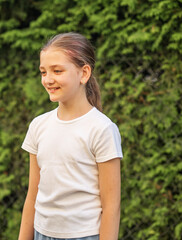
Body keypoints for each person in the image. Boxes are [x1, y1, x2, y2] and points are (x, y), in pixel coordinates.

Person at [19, 33, 123, 240]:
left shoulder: (102, 129)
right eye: (43, 72)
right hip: (41, 233)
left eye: (57, 71)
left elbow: (111, 205)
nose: (48, 79)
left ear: (84, 73)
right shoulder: (38, 125)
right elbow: (32, 195)